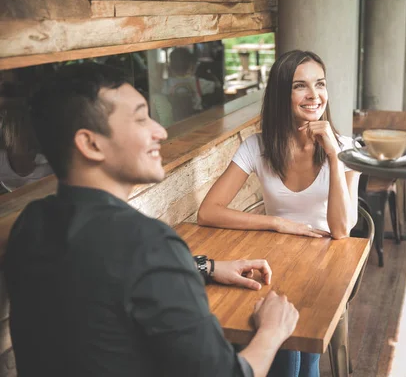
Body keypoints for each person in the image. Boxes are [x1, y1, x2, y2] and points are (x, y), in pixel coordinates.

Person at [3, 62, 299, 377]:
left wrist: (203, 267)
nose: (161, 131)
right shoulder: (150, 244)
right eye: (141, 118)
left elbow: (108, 275)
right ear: (91, 144)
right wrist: (272, 331)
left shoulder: (30, 224)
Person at [197, 50, 361, 377]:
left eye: (320, 84)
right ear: (280, 95)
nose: (314, 95)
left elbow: (341, 230)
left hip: (327, 265)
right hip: (278, 261)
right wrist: (277, 222)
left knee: (296, 347)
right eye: (300, 86)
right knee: (287, 354)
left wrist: (333, 155)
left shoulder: (345, 148)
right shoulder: (257, 146)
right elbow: (208, 212)